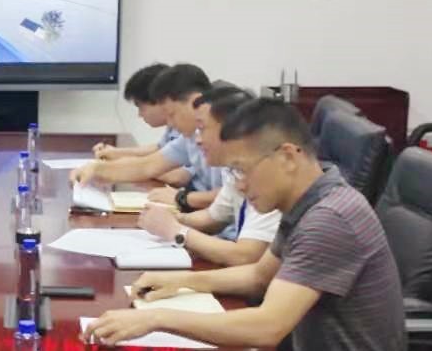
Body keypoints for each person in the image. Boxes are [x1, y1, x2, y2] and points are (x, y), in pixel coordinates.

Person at [85, 98, 406, 351]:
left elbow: (267, 327)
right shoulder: (310, 199)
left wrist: (156, 318)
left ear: (287, 156)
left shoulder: (329, 219)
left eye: (241, 170)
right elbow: (259, 277)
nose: (238, 186)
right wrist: (184, 282)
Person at [137, 86, 280, 266]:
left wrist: (176, 230)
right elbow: (213, 218)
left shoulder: (269, 175)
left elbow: (245, 256)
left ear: (232, 129)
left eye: (202, 129)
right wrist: (171, 219)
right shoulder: (235, 170)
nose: (197, 140)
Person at [71, 63, 221, 211]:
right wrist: (97, 169)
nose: (169, 123)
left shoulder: (226, 134)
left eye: (172, 114)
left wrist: (182, 199)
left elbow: (228, 197)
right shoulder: (190, 137)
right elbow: (147, 166)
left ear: (196, 101)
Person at [92, 63, 188, 185]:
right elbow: (159, 149)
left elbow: (176, 175)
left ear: (161, 100)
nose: (139, 115)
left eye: (140, 107)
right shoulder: (175, 126)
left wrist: (123, 165)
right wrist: (117, 153)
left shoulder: (191, 129)